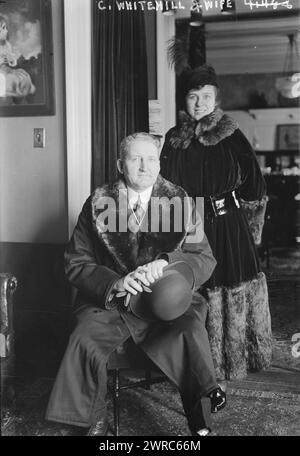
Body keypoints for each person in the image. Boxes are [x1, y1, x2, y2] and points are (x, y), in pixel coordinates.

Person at [45, 132, 226, 436]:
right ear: (120, 164)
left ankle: (201, 421)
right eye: (135, 158)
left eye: (151, 159)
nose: (145, 166)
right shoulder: (99, 203)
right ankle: (92, 423)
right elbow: (76, 262)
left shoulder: (179, 200)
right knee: (83, 338)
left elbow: (204, 258)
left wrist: (169, 262)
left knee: (190, 331)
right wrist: (116, 283)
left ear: (159, 163)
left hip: (167, 301)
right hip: (113, 303)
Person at [160, 65, 272, 381]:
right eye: (193, 96)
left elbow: (255, 185)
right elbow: (163, 187)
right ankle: (197, 365)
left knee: (230, 287)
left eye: (206, 96)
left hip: (229, 224)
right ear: (185, 100)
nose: (199, 103)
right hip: (189, 227)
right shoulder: (173, 139)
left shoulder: (231, 133)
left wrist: (252, 231)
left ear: (215, 99)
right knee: (196, 291)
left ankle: (235, 360)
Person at [0, 15, 35, 99]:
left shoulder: (6, 45)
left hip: (5, 70)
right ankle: (14, 92)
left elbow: (12, 60)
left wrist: (11, 60)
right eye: (4, 28)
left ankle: (23, 93)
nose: (7, 31)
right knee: (10, 79)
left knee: (22, 75)